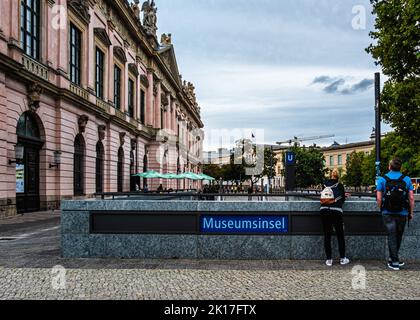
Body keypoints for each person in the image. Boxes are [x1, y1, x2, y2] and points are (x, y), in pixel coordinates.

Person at [376, 158, 415, 271]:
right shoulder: (406, 179)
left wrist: (381, 208)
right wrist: (411, 213)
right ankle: (394, 259)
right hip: (402, 212)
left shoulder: (382, 179)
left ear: (389, 167)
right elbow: (411, 198)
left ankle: (394, 260)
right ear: (400, 167)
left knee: (391, 235)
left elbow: (379, 198)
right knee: (398, 236)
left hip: (387, 212)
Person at [320, 169, 350, 267]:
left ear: (330, 175)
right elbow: (342, 200)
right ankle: (342, 258)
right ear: (338, 177)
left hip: (324, 210)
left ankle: (329, 260)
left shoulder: (324, 184)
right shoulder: (340, 185)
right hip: (336, 211)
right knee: (340, 235)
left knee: (327, 235)